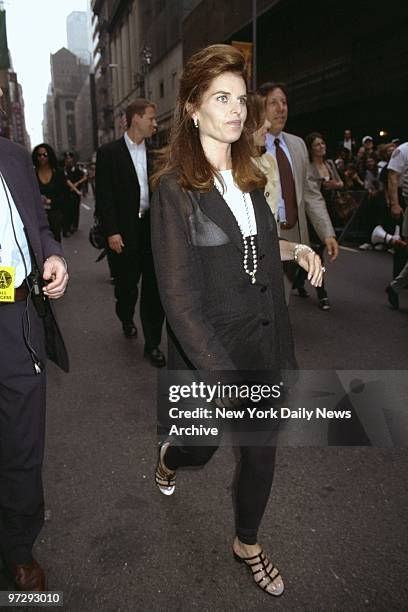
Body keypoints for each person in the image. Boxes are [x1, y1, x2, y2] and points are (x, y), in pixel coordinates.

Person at [150, 44, 324, 597]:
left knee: (260, 452)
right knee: (200, 448)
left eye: (238, 99)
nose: (235, 110)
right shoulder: (174, 189)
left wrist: (296, 252)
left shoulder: (253, 175)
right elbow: (178, 302)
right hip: (206, 356)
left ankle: (247, 542)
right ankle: (171, 457)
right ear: (193, 109)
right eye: (219, 99)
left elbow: (257, 246)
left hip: (262, 344)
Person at [0, 125, 69, 590]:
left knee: (23, 445)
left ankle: (19, 548)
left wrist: (53, 256)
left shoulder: (13, 156)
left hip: (17, 314)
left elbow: (38, 226)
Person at [96, 99, 165, 366]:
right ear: (136, 119)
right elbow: (104, 197)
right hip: (124, 231)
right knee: (127, 286)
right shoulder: (109, 153)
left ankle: (153, 343)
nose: (155, 123)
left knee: (154, 287)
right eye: (151, 118)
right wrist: (111, 232)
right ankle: (125, 316)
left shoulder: (156, 154)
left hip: (151, 229)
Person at [257, 81, 338, 300]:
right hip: (267, 234)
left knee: (283, 300)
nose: (281, 108)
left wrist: (327, 232)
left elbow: (310, 193)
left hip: (295, 234)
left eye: (284, 102)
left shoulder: (298, 145)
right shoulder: (252, 145)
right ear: (260, 107)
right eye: (273, 103)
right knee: (267, 299)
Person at [294, 132, 344, 310]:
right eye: (317, 145)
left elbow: (340, 183)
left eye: (323, 144)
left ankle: (298, 280)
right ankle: (322, 294)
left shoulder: (330, 164)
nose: (321, 147)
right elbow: (310, 194)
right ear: (310, 148)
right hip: (312, 214)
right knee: (316, 254)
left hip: (329, 210)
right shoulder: (307, 166)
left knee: (315, 251)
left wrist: (335, 185)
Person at [32, 143, 70, 243]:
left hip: (55, 213)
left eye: (45, 154)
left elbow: (65, 195)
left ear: (50, 156)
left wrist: (51, 201)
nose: (42, 157)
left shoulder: (58, 173)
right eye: (39, 155)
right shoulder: (32, 174)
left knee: (55, 241)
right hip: (38, 215)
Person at [386, 142, 408, 301]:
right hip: (404, 202)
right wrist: (394, 203)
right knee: (402, 248)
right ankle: (396, 285)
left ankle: (395, 286)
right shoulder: (403, 150)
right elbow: (392, 176)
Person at [63, 151, 85, 236]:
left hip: (75, 195)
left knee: (75, 210)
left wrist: (78, 183)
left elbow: (84, 177)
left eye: (70, 158)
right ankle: (67, 227)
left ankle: (74, 225)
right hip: (66, 193)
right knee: (67, 211)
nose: (68, 160)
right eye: (67, 158)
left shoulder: (76, 169)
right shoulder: (63, 170)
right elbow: (66, 181)